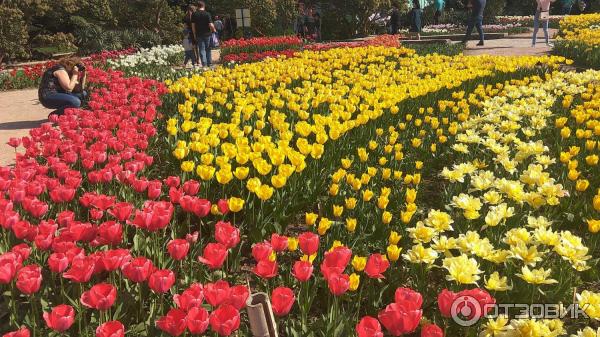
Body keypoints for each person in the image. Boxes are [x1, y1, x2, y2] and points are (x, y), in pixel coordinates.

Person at [191, 1, 216, 69]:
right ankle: (210, 64)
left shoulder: (194, 14)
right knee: (208, 49)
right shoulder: (207, 14)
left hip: (199, 34)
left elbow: (193, 26)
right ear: (203, 6)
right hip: (207, 34)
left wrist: (194, 34)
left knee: (201, 49)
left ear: (197, 6)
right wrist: (214, 30)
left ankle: (204, 65)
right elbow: (210, 24)